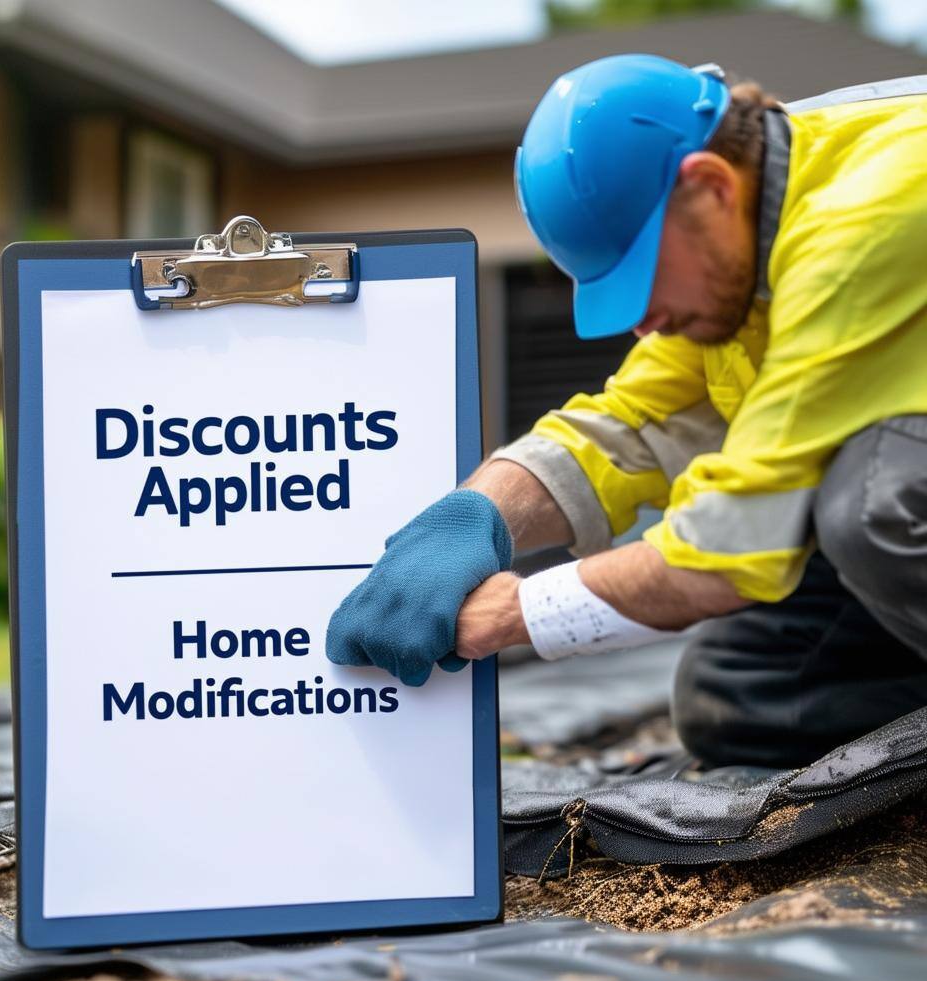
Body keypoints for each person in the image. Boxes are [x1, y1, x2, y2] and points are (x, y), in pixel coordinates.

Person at [326, 55, 927, 768]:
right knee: (746, 693)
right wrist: (471, 516)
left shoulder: (862, 230)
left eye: (640, 274)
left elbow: (725, 553)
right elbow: (638, 421)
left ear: (707, 187)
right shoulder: (760, 211)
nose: (639, 320)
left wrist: (508, 615)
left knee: (875, 505)